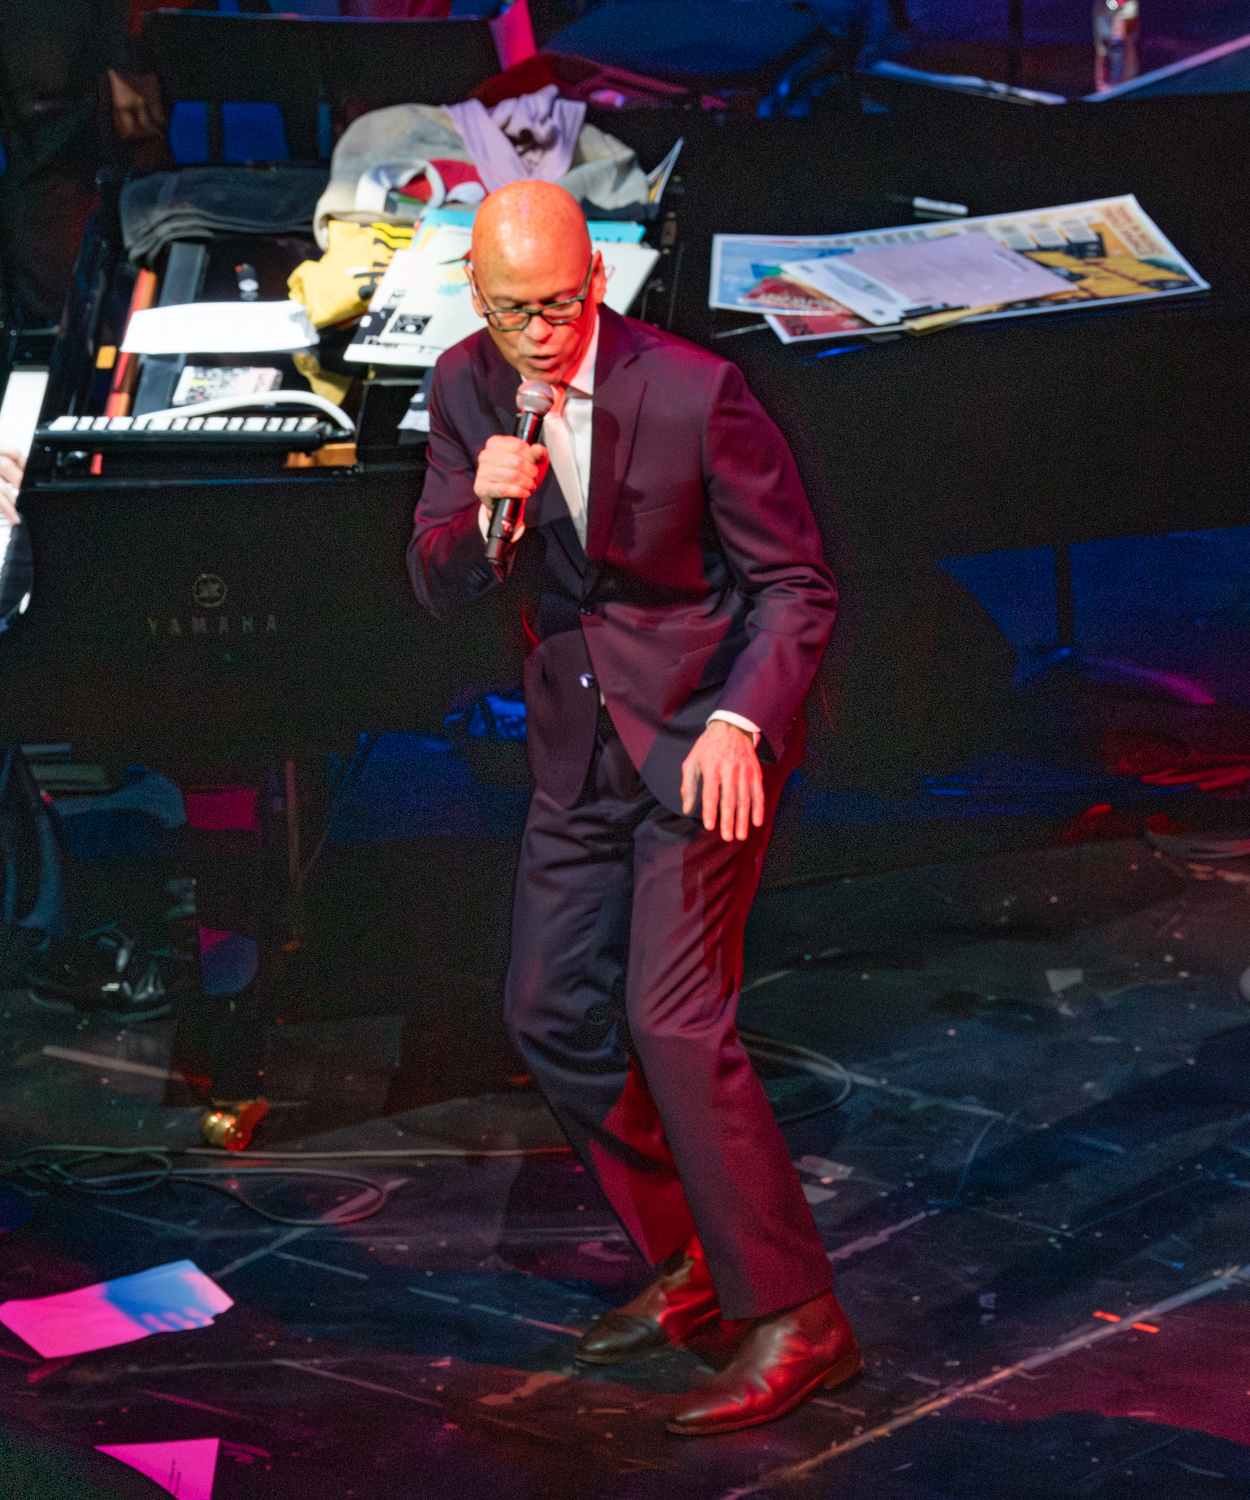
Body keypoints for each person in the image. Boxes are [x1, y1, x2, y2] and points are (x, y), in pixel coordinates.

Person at [408, 180, 858, 1436]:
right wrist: (484, 517)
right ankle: (693, 1257)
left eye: (556, 305)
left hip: (705, 736)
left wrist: (740, 722)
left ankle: (800, 1315)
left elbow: (795, 586)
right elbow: (435, 577)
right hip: (577, 748)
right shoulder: (462, 386)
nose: (537, 335)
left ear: (595, 282)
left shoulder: (693, 392)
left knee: (672, 1019)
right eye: (511, 314)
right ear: (478, 303)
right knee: (545, 1010)